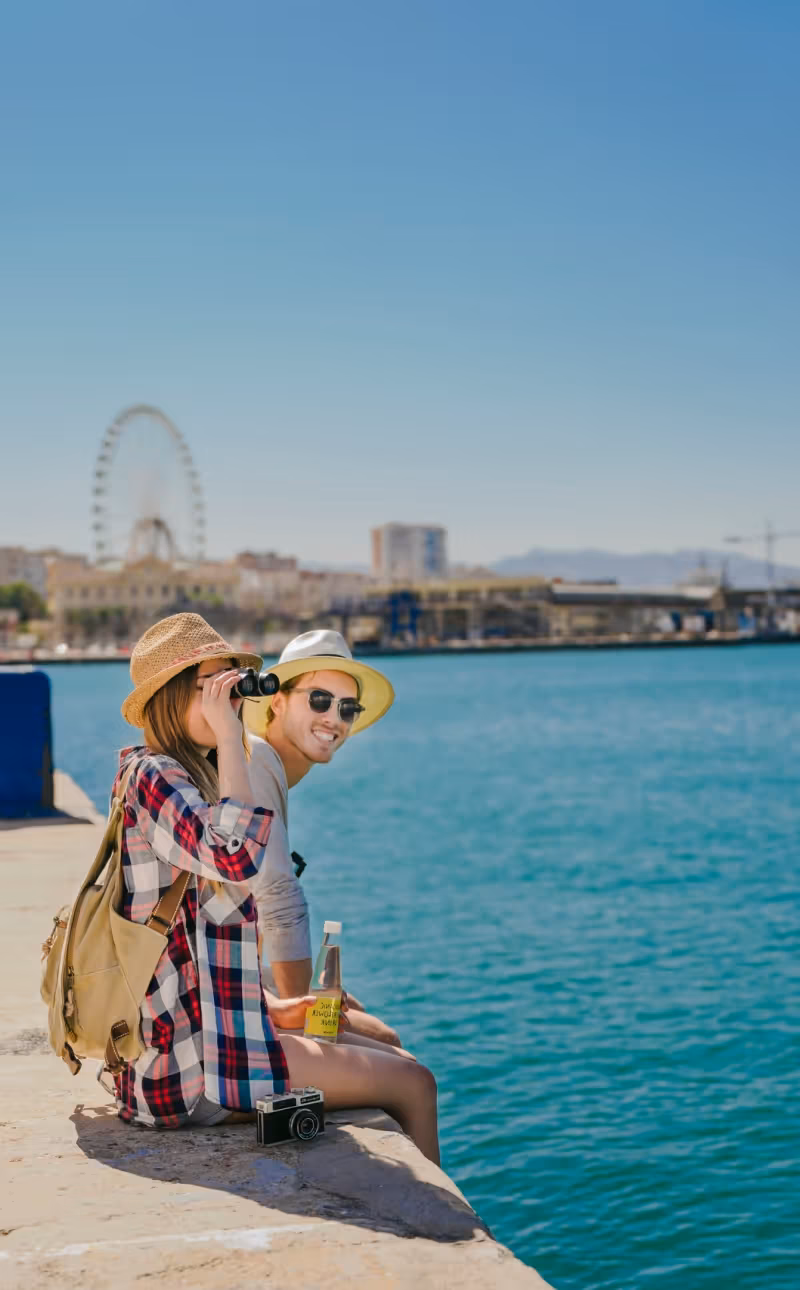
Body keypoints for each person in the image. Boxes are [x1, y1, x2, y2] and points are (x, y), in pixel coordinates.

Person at [114, 612, 439, 1162]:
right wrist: (230, 737)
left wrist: (275, 1006)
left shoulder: (181, 778)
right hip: (192, 1072)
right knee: (414, 1084)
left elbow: (197, 937)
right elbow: (237, 859)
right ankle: (444, 1242)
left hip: (205, 1045)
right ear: (168, 696)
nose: (229, 702)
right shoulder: (153, 776)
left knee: (397, 1061)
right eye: (210, 689)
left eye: (232, 691)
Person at [242, 629, 401, 1049]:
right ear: (277, 701)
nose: (335, 718)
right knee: (392, 1047)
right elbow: (277, 894)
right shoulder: (255, 760)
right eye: (319, 699)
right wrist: (300, 1008)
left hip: (228, 982)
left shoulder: (262, 763)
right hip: (210, 1007)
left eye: (347, 707)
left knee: (364, 1021)